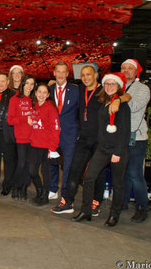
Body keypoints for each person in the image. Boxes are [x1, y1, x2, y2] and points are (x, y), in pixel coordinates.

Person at [71, 72, 130, 227]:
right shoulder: (104, 101)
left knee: (117, 184)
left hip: (118, 150)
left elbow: (124, 131)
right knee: (89, 178)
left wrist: (117, 152)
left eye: (113, 84)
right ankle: (86, 211)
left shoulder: (122, 105)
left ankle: (114, 215)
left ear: (118, 86)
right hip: (102, 148)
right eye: (107, 84)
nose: (109, 86)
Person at [51, 66, 108, 215]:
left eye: (89, 74)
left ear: (96, 74)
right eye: (83, 75)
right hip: (83, 138)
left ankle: (96, 202)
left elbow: (123, 96)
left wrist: (119, 99)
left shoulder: (104, 90)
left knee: (98, 173)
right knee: (74, 170)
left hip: (100, 139)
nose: (86, 77)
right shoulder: (80, 89)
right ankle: (68, 202)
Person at [119, 59, 151, 223]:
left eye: (129, 68)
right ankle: (123, 202)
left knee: (135, 173)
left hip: (136, 137)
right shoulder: (118, 87)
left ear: (136, 71)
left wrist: (122, 98)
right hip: (120, 136)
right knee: (123, 172)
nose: (126, 71)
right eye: (123, 68)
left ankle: (142, 207)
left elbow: (135, 106)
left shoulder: (143, 89)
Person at [49, 62, 79, 200]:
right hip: (52, 134)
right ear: (54, 73)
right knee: (52, 162)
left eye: (63, 72)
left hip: (69, 134)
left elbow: (81, 111)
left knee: (68, 165)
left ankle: (65, 193)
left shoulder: (75, 90)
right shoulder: (48, 90)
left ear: (67, 74)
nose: (60, 75)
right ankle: (52, 188)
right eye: (58, 71)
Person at [27, 83, 60, 206]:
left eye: (44, 92)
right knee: (32, 171)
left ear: (48, 95)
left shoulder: (51, 108)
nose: (41, 95)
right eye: (39, 92)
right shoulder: (34, 106)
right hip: (34, 145)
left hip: (46, 147)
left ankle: (44, 196)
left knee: (46, 173)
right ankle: (40, 190)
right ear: (35, 93)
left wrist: (52, 148)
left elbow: (56, 129)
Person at [7, 75, 35, 200]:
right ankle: (15, 185)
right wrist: (25, 119)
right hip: (21, 137)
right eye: (27, 83)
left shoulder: (35, 100)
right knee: (21, 163)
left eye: (32, 84)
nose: (29, 86)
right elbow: (10, 120)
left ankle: (24, 188)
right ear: (23, 84)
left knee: (29, 165)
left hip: (34, 138)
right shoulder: (15, 99)